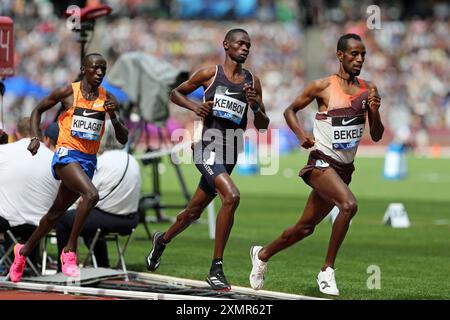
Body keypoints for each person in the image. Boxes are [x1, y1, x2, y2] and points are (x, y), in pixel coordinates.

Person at [249, 34, 384, 296]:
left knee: (305, 228)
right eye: (354, 54)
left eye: (363, 55)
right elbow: (290, 111)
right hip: (321, 163)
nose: (359, 59)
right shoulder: (322, 86)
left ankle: (262, 254)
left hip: (344, 170)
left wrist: (375, 111)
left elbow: (377, 135)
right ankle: (327, 271)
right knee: (349, 205)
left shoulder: (369, 89)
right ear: (340, 55)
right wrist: (301, 136)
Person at [146, 28, 270, 291]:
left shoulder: (252, 82)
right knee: (232, 196)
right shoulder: (209, 74)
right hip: (206, 148)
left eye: (248, 44)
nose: (245, 48)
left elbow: (262, 124)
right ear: (226, 45)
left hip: (231, 152)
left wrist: (255, 105)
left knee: (193, 212)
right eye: (240, 43)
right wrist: (195, 106)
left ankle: (162, 240)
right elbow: (175, 93)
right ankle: (216, 268)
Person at [8, 53, 128, 282]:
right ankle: (70, 251)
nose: (100, 73)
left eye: (103, 69)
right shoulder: (67, 93)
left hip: (88, 161)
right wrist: (36, 136)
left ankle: (22, 252)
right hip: (65, 155)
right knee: (91, 195)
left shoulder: (108, 98)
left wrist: (113, 117)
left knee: (55, 214)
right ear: (84, 69)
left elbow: (122, 138)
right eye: (95, 68)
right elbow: (37, 111)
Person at [56, 130, 141, 270]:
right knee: (88, 216)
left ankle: (63, 268)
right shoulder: (132, 160)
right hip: (130, 220)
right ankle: (102, 264)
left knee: (64, 219)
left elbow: (87, 194)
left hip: (108, 219)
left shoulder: (103, 161)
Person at [0, 118, 60, 266]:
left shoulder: (4, 151)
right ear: (38, 134)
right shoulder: (54, 158)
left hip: (8, 222)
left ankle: (11, 262)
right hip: (42, 225)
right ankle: (31, 263)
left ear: (17, 133)